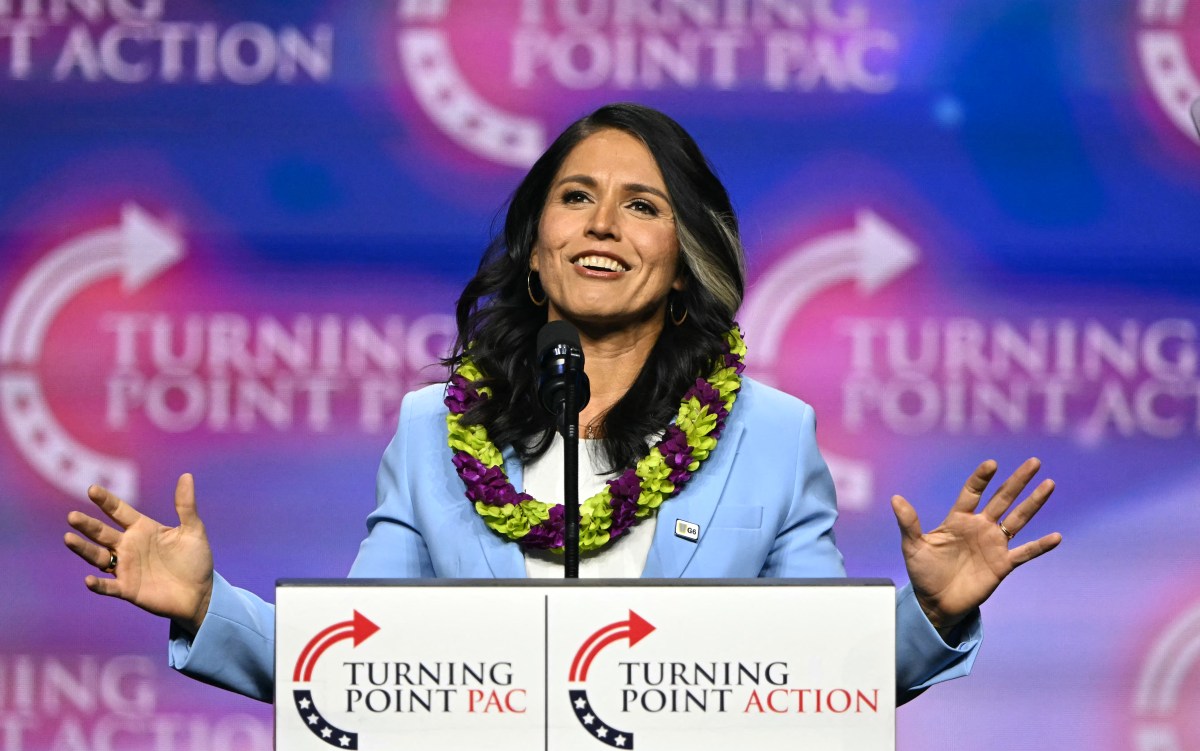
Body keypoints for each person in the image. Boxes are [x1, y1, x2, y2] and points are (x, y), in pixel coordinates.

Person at [63, 103, 1061, 708]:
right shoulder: (431, 431)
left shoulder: (770, 433)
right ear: (537, 248)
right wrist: (208, 605)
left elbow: (818, 680)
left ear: (682, 264)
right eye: (576, 197)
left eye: (643, 204)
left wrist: (927, 612)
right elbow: (362, 665)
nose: (604, 224)